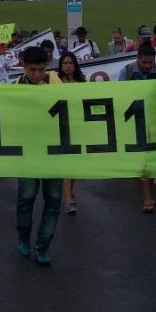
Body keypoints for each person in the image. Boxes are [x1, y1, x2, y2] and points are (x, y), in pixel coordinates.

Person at [15, 47, 62, 265]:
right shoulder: (15, 87)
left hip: (53, 153)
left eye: (41, 70)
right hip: (28, 153)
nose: (36, 75)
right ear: (24, 66)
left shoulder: (55, 83)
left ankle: (43, 244)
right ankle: (23, 238)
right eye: (32, 70)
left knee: (53, 201)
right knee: (26, 198)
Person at [118, 42, 156, 213]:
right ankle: (147, 197)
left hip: (155, 122)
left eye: (150, 63)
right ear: (137, 58)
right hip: (135, 122)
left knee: (151, 160)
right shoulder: (127, 71)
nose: (147, 66)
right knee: (143, 160)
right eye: (144, 63)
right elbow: (119, 96)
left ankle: (146, 189)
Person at [57, 51, 86, 215]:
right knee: (67, 163)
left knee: (74, 163)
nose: (68, 66)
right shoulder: (55, 82)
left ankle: (68, 190)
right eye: (65, 63)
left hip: (77, 126)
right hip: (61, 127)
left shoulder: (81, 82)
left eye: (71, 63)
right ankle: (67, 198)